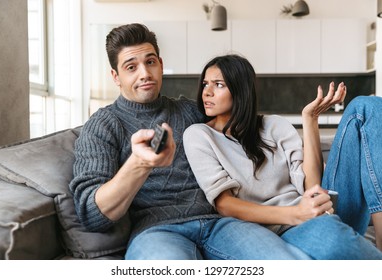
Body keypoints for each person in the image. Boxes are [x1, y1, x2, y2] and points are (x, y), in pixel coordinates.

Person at [69, 23, 312, 260]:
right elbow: (93, 214)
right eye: (131, 67)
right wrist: (139, 164)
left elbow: (242, 123)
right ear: (116, 76)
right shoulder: (103, 125)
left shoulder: (191, 111)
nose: (145, 73)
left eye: (150, 62)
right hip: (157, 231)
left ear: (161, 65)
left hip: (222, 224)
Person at [183, 54, 382, 259]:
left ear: (240, 90)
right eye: (206, 84)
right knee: (334, 240)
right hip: (283, 228)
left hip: (318, 209)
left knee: (368, 107)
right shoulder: (199, 135)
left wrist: (310, 120)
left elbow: (310, 187)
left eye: (218, 85)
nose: (207, 92)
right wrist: (297, 214)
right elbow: (224, 204)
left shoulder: (274, 125)